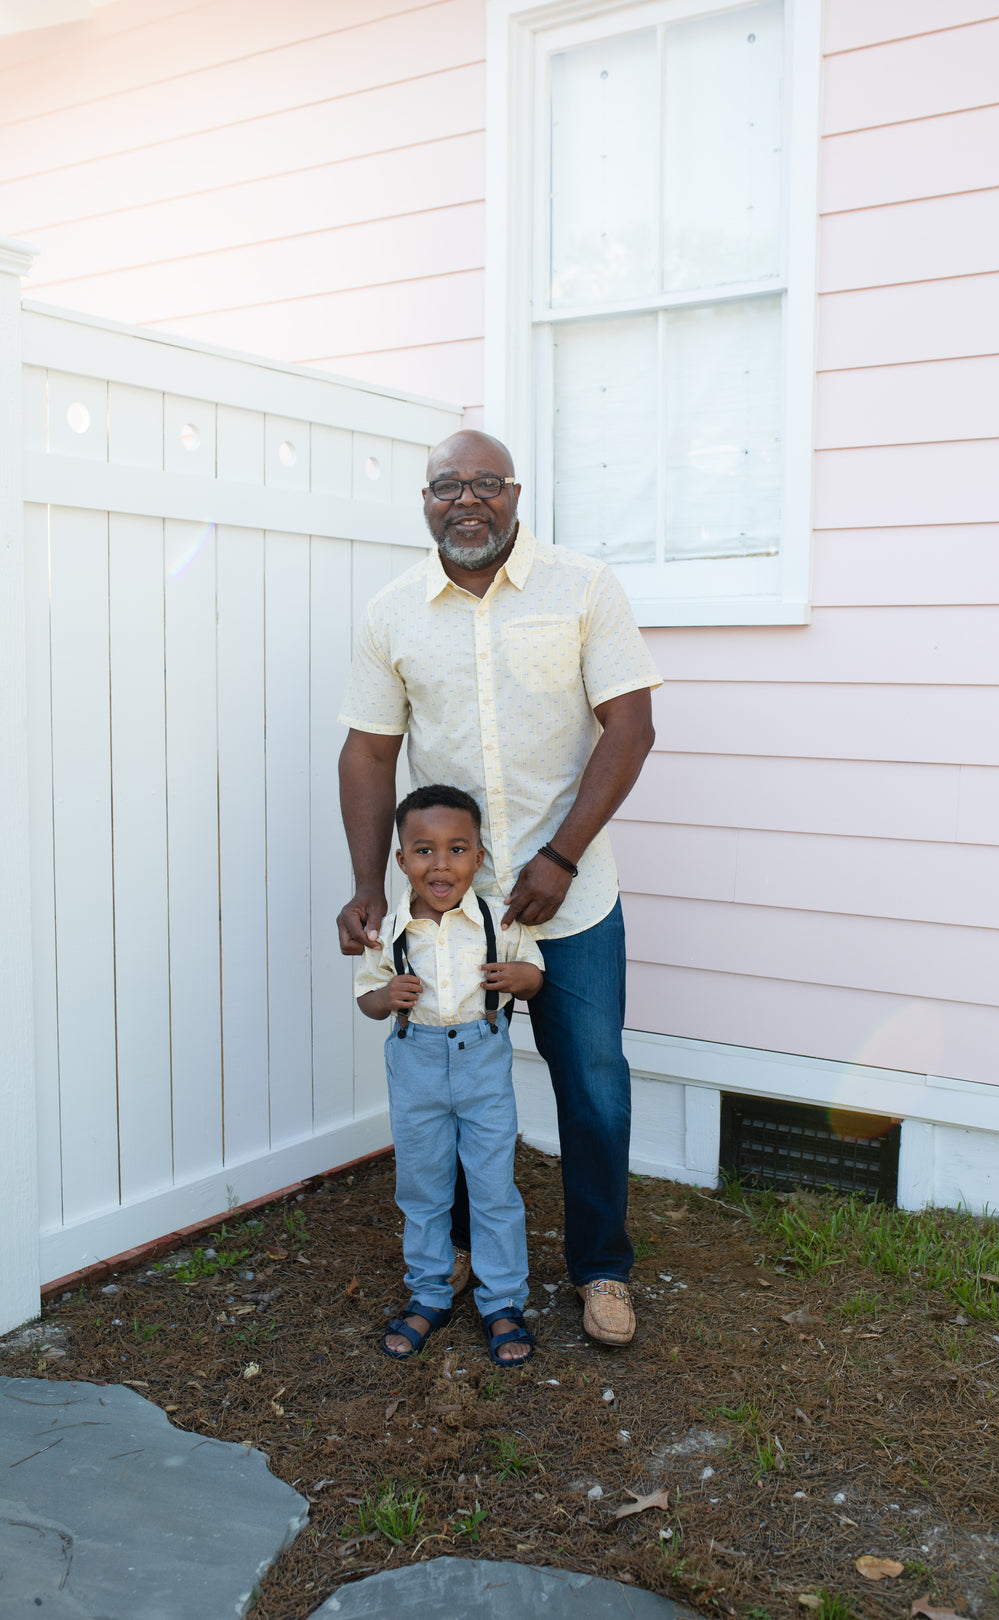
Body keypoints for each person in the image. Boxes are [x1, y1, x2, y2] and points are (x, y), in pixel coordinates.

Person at [337, 429, 661, 1347]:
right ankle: (456, 1255)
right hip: (452, 909)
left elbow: (630, 727)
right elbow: (368, 752)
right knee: (449, 1086)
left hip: (570, 894)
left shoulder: (583, 587)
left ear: (516, 494)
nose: (467, 500)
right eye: (448, 486)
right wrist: (369, 885)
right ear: (426, 502)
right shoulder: (392, 613)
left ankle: (601, 1269)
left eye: (487, 483)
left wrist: (559, 857)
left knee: (593, 1087)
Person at [355, 784, 544, 1365]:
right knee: (423, 1187)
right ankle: (429, 1292)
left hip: (482, 1066)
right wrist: (386, 996)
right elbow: (367, 998)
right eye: (424, 851)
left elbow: (535, 974)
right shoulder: (389, 931)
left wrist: (520, 978)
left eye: (457, 850)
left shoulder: (496, 920)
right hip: (415, 1067)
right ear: (401, 859)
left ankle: (502, 1300)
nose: (441, 865)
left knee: (492, 1186)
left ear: (478, 858)